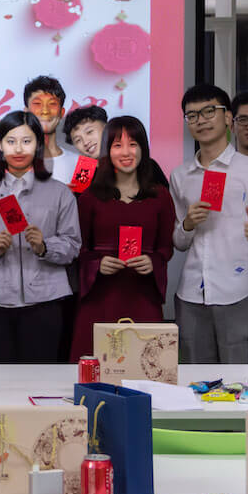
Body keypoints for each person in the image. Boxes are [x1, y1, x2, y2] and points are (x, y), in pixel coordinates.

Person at [169, 85, 248, 364]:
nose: (201, 120)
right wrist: (188, 224)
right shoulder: (181, 175)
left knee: (242, 376)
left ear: (228, 118)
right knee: (194, 378)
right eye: (192, 115)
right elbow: (179, 243)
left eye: (209, 111)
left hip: (239, 291)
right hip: (192, 293)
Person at [0, 110, 80, 363]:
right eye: (11, 141)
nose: (18, 148)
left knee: (40, 376)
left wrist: (44, 247)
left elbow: (73, 245)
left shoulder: (59, 192)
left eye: (26, 141)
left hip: (46, 300)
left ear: (38, 144)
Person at [71, 116, 176, 360]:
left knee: (146, 365)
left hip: (142, 294)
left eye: (133, 144)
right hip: (100, 296)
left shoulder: (160, 196)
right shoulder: (90, 197)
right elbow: (79, 248)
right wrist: (97, 264)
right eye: (117, 145)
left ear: (143, 148)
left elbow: (166, 248)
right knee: (95, 366)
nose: (126, 152)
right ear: (107, 150)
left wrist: (153, 261)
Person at [24, 75, 79, 185]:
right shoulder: (14, 161)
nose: (45, 111)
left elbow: (83, 197)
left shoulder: (81, 165)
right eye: (37, 104)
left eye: (52, 104)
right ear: (26, 112)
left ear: (62, 113)